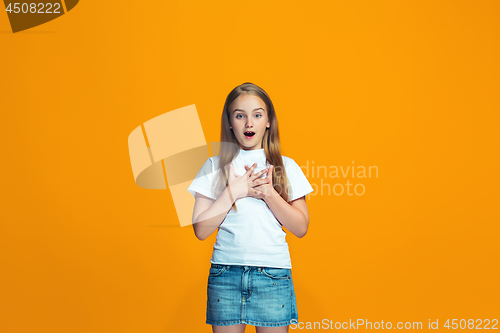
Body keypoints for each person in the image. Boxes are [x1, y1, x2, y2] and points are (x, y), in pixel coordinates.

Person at [187, 82, 314, 333]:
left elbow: (301, 227)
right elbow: (201, 230)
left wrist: (268, 194)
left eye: (257, 115)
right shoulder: (212, 166)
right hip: (225, 275)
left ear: (268, 121)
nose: (249, 123)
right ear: (229, 122)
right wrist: (234, 191)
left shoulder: (286, 166)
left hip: (273, 275)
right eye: (240, 115)